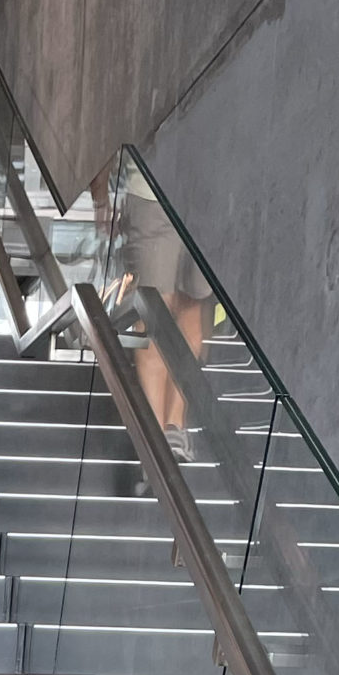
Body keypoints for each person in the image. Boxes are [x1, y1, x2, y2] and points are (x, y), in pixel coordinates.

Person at [119, 180, 212, 471]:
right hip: (152, 195)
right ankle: (154, 436)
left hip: (210, 194)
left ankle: (175, 426)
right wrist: (99, 194)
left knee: (193, 307)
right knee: (152, 312)